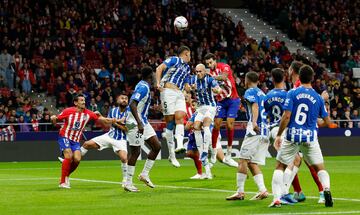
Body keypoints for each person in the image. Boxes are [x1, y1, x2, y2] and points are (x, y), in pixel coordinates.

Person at [269, 65, 333, 207]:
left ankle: (277, 199)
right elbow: (326, 123)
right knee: (320, 168)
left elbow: (286, 116)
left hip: (292, 136)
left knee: (280, 166)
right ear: (312, 78)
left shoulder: (292, 93)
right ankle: (326, 189)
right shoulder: (317, 97)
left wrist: (279, 135)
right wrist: (325, 103)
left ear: (299, 76)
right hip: (310, 137)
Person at [51, 94, 117, 188]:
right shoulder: (68, 111)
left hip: (75, 140)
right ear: (75, 102)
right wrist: (53, 119)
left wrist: (114, 120)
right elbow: (55, 120)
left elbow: (104, 121)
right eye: (81, 100)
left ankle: (66, 176)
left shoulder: (88, 113)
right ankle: (62, 182)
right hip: (64, 136)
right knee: (69, 156)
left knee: (77, 159)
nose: (83, 102)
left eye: (84, 100)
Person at [288, 61, 327, 203]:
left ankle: (321, 191)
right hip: (305, 129)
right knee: (300, 161)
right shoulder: (296, 85)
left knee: (304, 162)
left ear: (292, 70)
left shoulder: (298, 86)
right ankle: (299, 192)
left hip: (303, 130)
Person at [226, 72, 269, 201]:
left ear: (247, 80)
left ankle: (240, 192)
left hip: (254, 130)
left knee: (242, 160)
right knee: (252, 162)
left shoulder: (250, 91)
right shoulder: (263, 93)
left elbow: (255, 106)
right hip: (264, 130)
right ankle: (263, 190)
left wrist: (254, 122)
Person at [124, 66, 161, 192]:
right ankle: (128, 183)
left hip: (143, 121)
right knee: (135, 152)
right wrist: (139, 123)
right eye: (154, 75)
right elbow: (132, 104)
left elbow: (139, 105)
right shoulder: (143, 87)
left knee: (157, 146)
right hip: (135, 122)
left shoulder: (143, 85)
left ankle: (144, 174)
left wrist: (152, 109)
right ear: (151, 76)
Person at [80, 94, 129, 186]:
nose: (124, 100)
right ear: (117, 100)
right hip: (109, 136)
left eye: (126, 99)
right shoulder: (113, 110)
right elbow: (107, 123)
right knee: (87, 144)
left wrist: (116, 123)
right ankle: (72, 160)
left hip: (121, 139)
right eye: (122, 98)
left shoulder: (130, 112)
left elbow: (127, 129)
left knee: (124, 158)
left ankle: (126, 180)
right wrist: (100, 116)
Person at [264, 68, 297, 204]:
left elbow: (266, 114)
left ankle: (283, 192)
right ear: (284, 78)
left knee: (295, 159)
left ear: (272, 79)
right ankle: (282, 194)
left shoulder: (267, 96)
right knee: (286, 162)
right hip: (283, 130)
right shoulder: (288, 95)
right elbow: (289, 115)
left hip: (272, 129)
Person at [156, 46, 191, 168]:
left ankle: (180, 144)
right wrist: (158, 82)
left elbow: (186, 85)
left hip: (180, 93)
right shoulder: (174, 60)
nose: (190, 57)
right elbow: (159, 68)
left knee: (180, 117)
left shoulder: (187, 68)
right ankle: (172, 155)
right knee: (170, 121)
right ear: (185, 54)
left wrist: (190, 89)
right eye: (189, 55)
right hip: (168, 91)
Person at [204, 53, 240, 163]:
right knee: (217, 124)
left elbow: (223, 77)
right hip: (221, 101)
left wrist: (211, 77)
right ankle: (214, 152)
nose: (210, 65)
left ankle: (229, 152)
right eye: (207, 64)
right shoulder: (208, 73)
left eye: (211, 62)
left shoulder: (224, 66)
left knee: (229, 124)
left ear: (215, 60)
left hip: (233, 99)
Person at [189, 64, 222, 179]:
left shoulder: (210, 78)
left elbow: (218, 89)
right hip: (200, 108)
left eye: (200, 71)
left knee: (207, 125)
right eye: (196, 71)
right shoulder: (193, 79)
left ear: (204, 71)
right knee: (196, 127)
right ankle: (202, 152)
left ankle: (204, 151)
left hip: (210, 107)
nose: (198, 73)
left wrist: (216, 90)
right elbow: (187, 87)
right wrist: (190, 88)